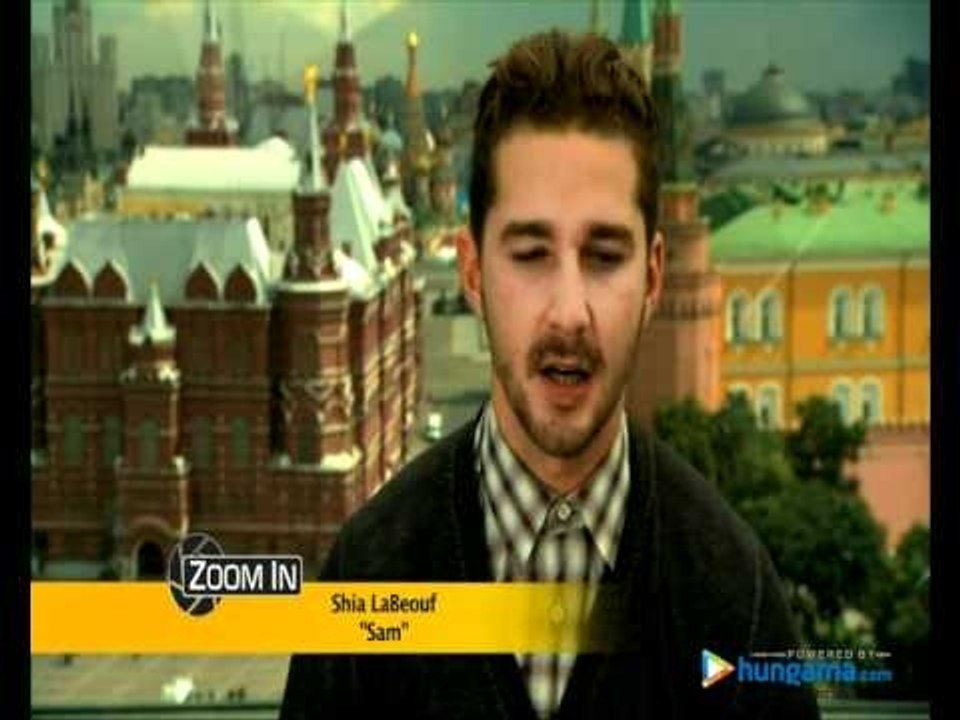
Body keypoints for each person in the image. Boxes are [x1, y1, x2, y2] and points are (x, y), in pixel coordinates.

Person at [281, 30, 820, 719]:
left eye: (605, 256)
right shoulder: (369, 575)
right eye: (532, 254)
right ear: (472, 271)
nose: (569, 313)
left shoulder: (731, 596)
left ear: (654, 277)